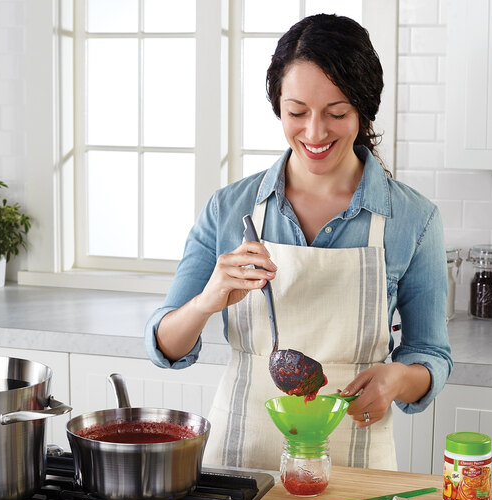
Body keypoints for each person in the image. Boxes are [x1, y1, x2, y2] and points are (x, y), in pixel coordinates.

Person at [145, 13, 452, 471]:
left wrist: (398, 380)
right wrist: (207, 301)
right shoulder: (230, 208)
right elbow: (165, 346)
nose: (314, 133)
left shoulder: (413, 219)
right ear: (278, 107)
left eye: (337, 113)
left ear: (363, 109)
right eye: (297, 112)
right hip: (242, 459)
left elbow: (431, 354)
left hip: (354, 457)